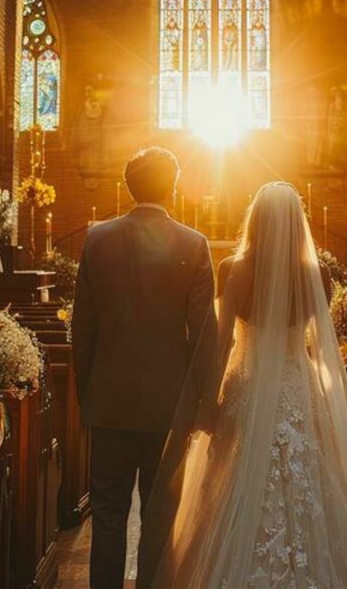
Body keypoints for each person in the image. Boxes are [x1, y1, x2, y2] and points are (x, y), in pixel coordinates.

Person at [142, 182, 347, 588]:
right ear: (298, 224)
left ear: (256, 219)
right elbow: (321, 348)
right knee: (309, 480)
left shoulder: (234, 269)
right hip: (299, 387)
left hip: (246, 387)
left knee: (235, 486)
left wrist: (208, 402)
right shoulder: (318, 274)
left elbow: (222, 338)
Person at [71, 147, 216, 589]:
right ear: (172, 186)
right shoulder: (193, 243)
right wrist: (200, 405)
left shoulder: (97, 239)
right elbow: (203, 335)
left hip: (110, 402)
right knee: (159, 517)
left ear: (128, 186)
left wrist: (87, 395)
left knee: (109, 512)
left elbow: (83, 326)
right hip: (168, 407)